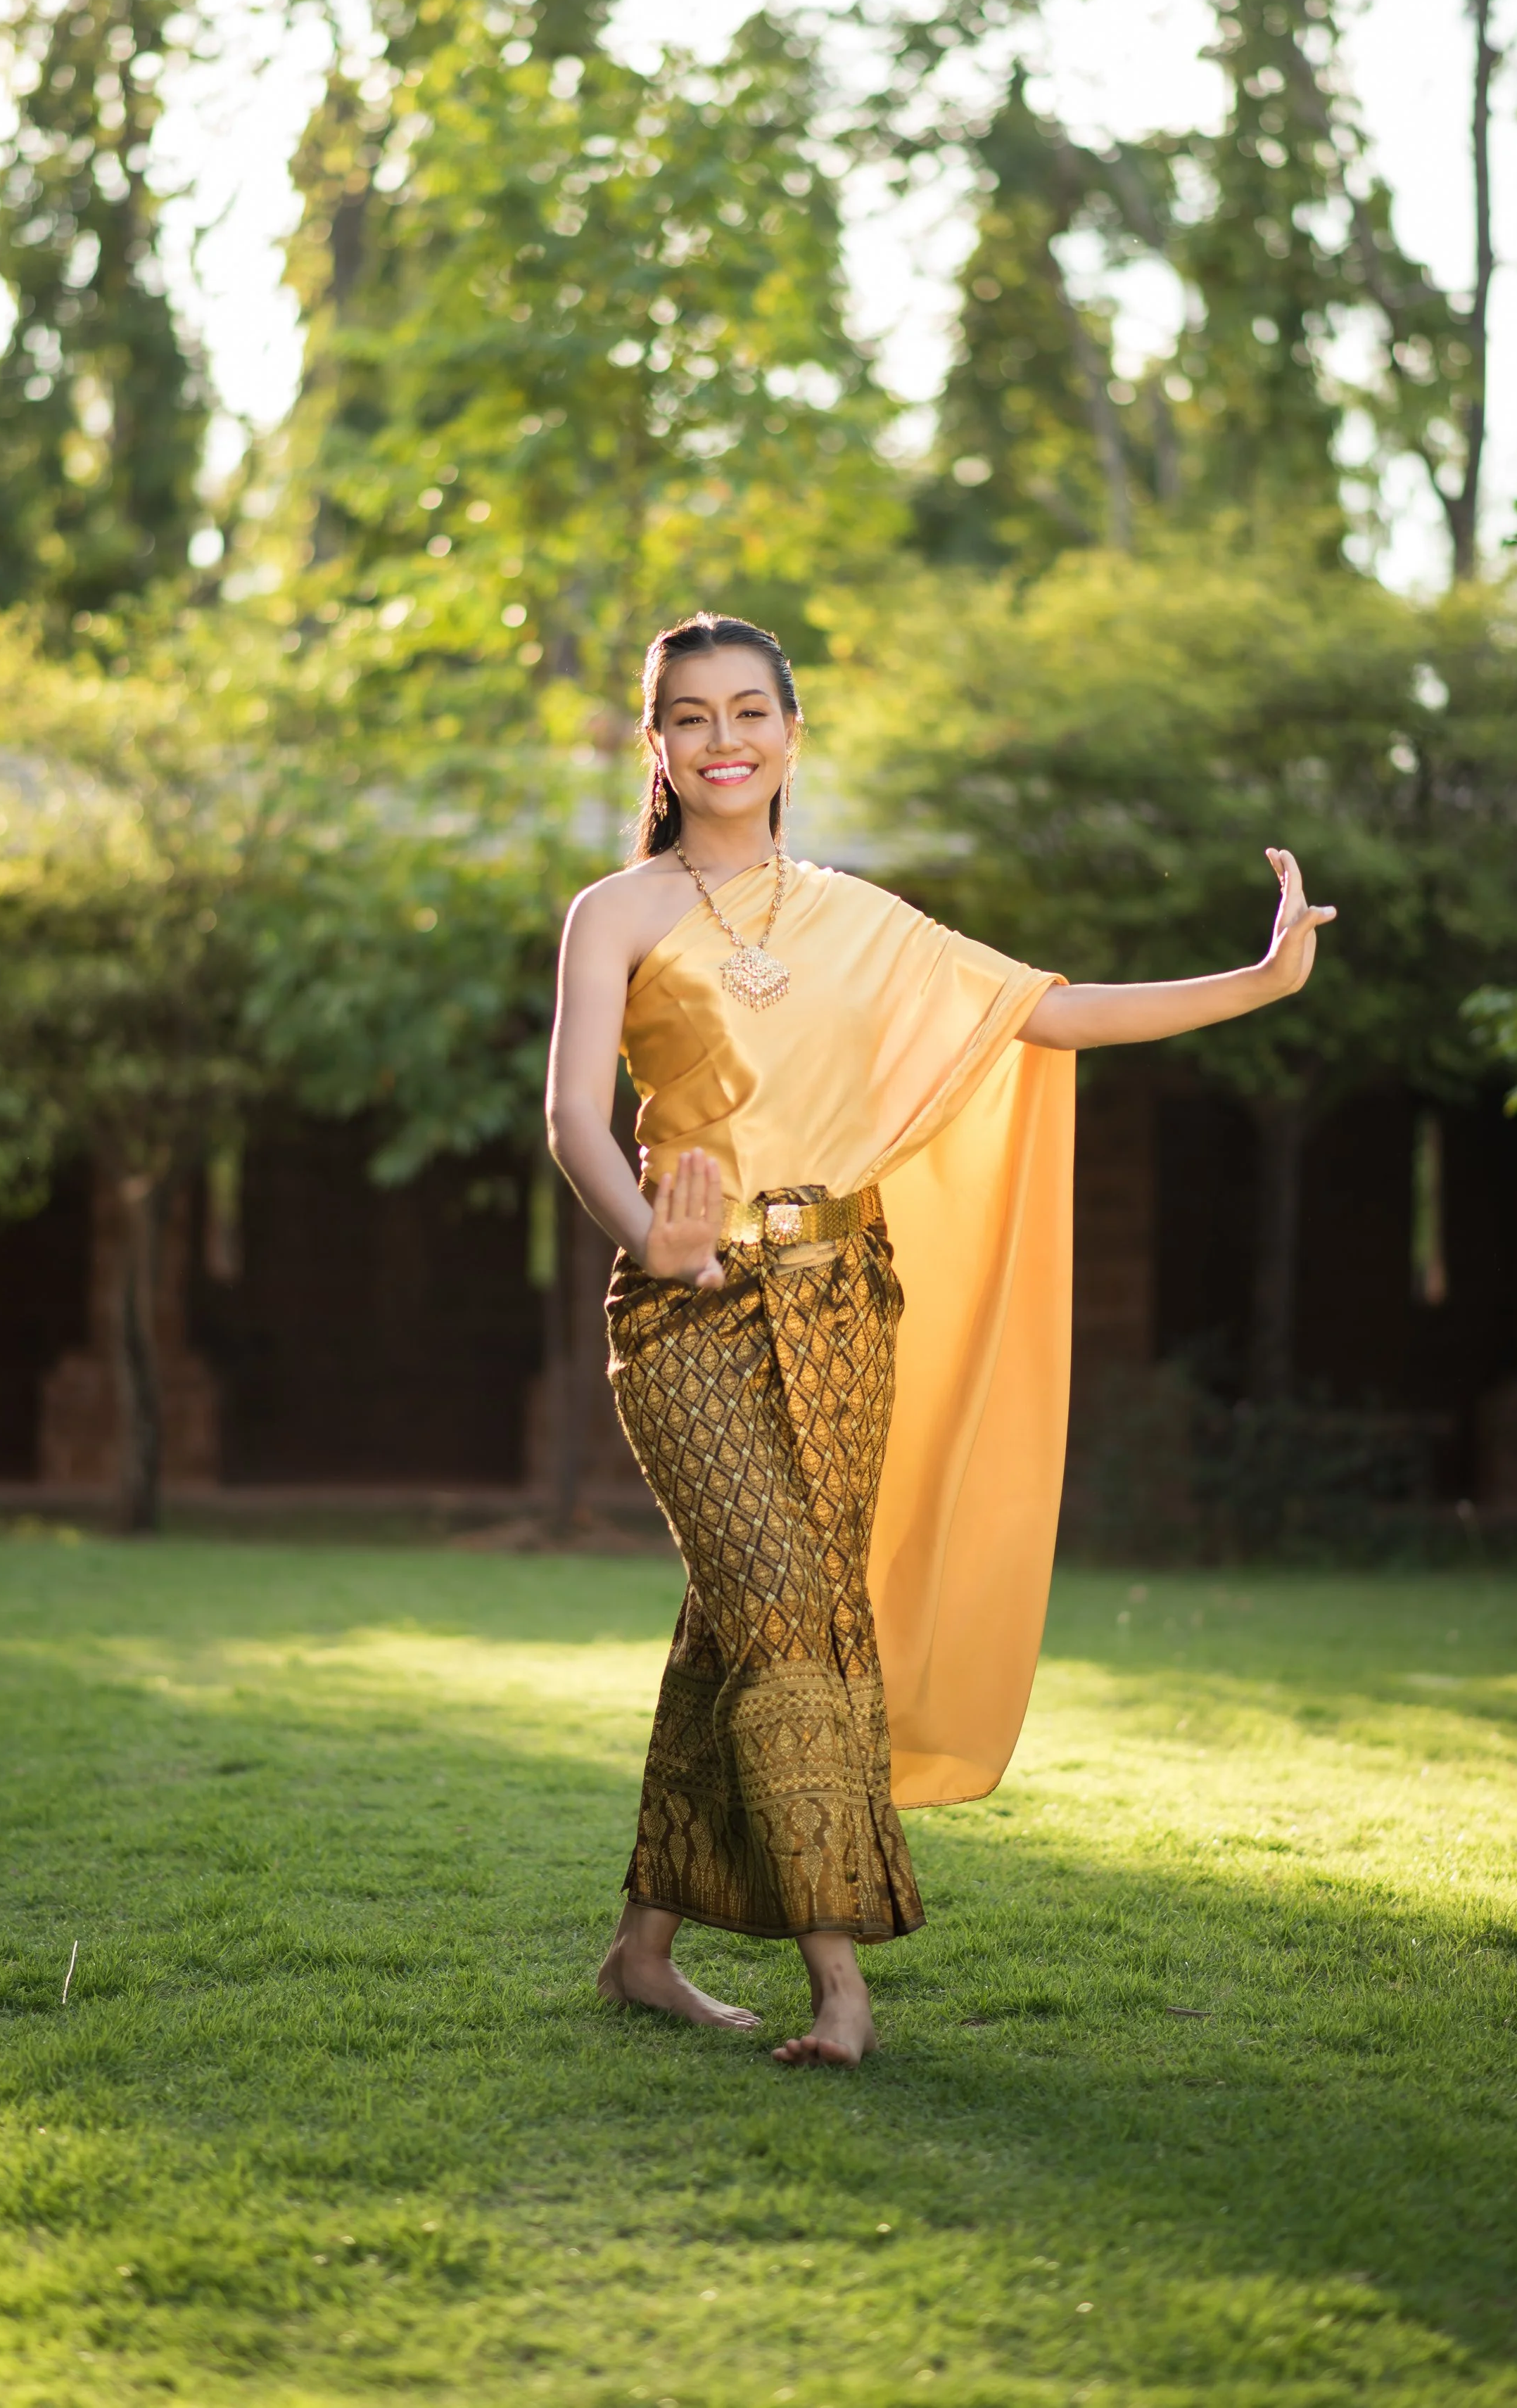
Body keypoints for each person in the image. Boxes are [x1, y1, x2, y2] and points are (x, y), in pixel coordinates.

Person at [545, 611, 1333, 2067]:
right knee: (789, 1608)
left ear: (791, 733)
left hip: (846, 1300)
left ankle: (638, 1952)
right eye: (691, 718)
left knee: (743, 1611)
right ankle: (840, 1982)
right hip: (687, 1308)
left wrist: (1254, 983)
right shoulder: (616, 914)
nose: (723, 742)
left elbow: (1048, 1014)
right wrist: (646, 1230)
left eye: (749, 713)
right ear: (654, 744)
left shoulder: (858, 916)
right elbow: (572, 1121)